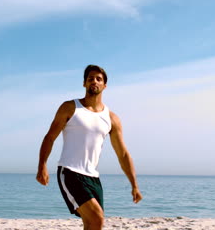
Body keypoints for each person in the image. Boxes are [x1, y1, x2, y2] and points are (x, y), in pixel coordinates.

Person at [36, 64, 143, 230]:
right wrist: (42, 164)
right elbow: (50, 137)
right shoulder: (70, 107)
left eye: (98, 79)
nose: (94, 81)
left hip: (93, 178)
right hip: (70, 172)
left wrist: (134, 184)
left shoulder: (111, 118)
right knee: (97, 218)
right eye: (90, 78)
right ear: (84, 83)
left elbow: (122, 154)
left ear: (104, 86)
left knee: (92, 225)